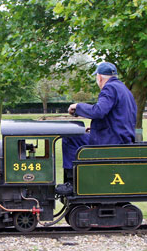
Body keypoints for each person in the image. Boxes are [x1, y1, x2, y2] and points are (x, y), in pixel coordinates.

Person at [58, 62, 137, 191]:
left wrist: (77, 107)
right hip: (119, 138)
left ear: (99, 77)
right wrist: (94, 129)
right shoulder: (124, 89)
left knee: (70, 138)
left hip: (111, 141)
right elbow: (117, 117)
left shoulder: (109, 88)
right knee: (79, 136)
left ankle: (72, 182)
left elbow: (99, 111)